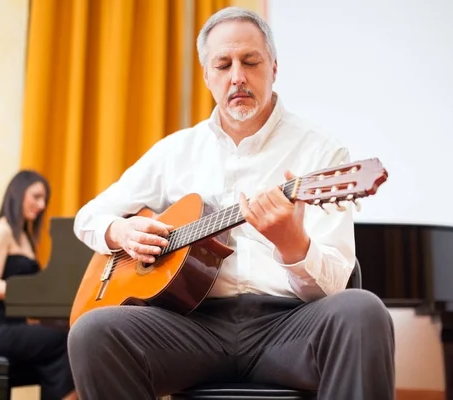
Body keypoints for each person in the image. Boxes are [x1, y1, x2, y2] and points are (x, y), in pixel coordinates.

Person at [68, 6, 394, 400]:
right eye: (223, 64)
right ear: (207, 75)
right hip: (191, 329)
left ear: (274, 67)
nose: (237, 76)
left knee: (363, 312)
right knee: (92, 332)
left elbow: (335, 281)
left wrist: (292, 244)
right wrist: (119, 230)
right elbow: (88, 217)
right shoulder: (175, 151)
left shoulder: (321, 152)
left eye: (250, 61)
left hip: (288, 325)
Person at [0, 170, 76, 400]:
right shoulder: (3, 230)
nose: (41, 205)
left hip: (15, 327)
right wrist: (33, 292)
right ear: (19, 192)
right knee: (63, 342)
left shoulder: (25, 237)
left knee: (72, 338)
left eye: (44, 200)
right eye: (36, 196)